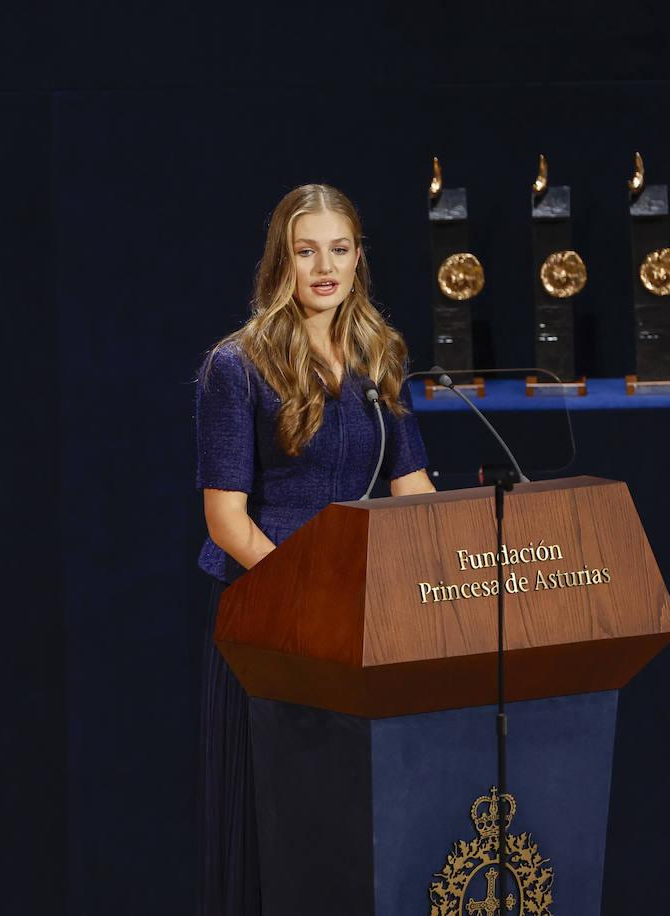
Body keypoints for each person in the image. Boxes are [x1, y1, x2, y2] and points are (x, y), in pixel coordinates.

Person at [193, 183, 433, 914]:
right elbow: (226, 521)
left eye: (339, 248)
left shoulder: (378, 357)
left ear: (359, 258)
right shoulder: (234, 368)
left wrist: (433, 580)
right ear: (282, 262)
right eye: (306, 252)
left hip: (367, 621)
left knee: (356, 830)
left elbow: (414, 487)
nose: (324, 267)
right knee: (280, 825)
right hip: (272, 617)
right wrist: (313, 593)